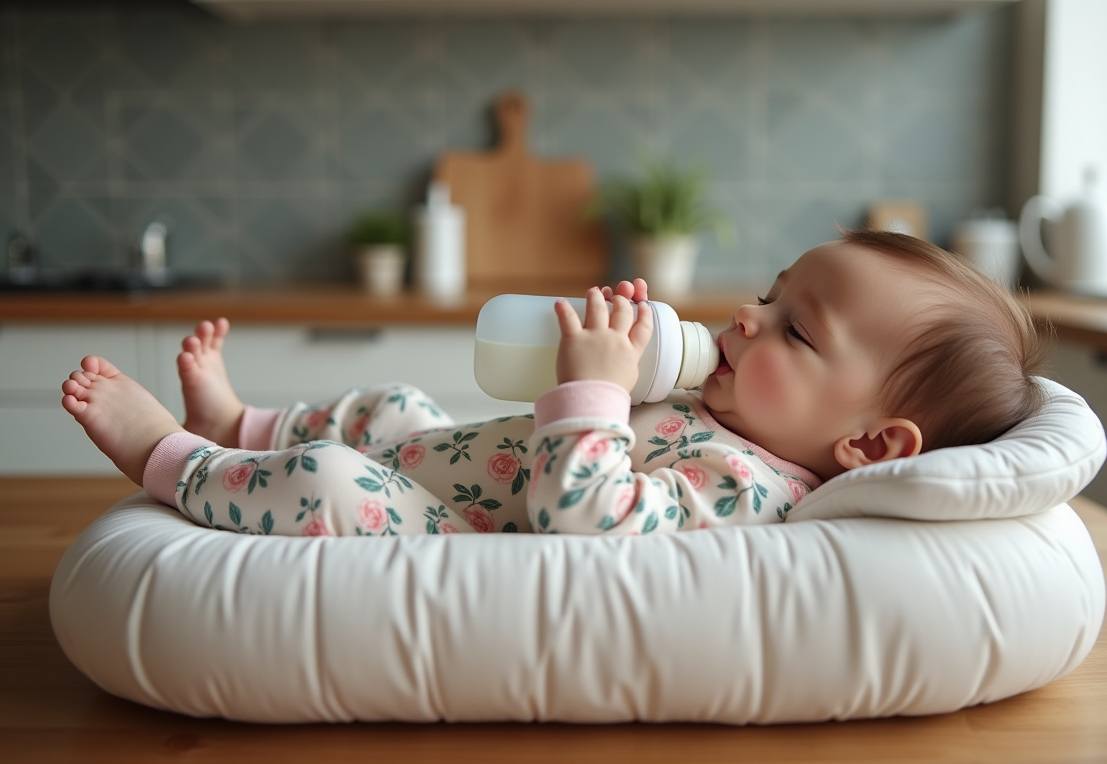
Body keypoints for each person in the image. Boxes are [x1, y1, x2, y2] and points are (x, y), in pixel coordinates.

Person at [60, 229, 1046, 537]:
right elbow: (582, 417)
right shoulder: (722, 405)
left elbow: (596, 520)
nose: (745, 318)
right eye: (765, 293)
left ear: (871, 443)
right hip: (445, 455)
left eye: (795, 327)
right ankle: (242, 419)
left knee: (325, 478)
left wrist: (599, 398)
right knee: (397, 402)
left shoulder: (757, 490)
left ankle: (170, 455)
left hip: (453, 532)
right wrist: (625, 356)